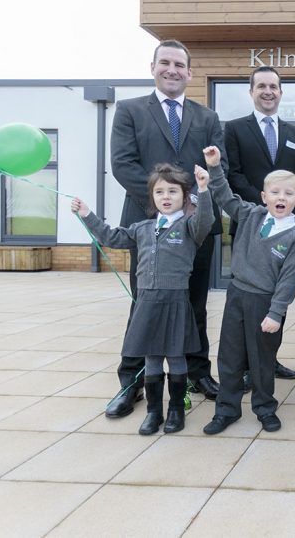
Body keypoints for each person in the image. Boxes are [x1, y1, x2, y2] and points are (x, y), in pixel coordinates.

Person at [108, 40, 226, 418]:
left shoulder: (207, 118)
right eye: (165, 63)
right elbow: (123, 165)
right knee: (143, 303)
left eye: (179, 64)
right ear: (153, 67)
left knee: (195, 303)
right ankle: (132, 381)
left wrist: (191, 207)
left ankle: (196, 372)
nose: (172, 70)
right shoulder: (129, 111)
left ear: (190, 73)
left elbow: (215, 168)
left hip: (196, 228)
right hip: (148, 225)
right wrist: (164, 202)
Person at [72, 163, 214, 435]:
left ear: (185, 197)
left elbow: (205, 220)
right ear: (152, 198)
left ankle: (175, 410)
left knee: (175, 357)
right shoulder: (142, 228)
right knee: (151, 358)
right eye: (160, 192)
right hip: (147, 303)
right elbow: (110, 236)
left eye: (173, 191)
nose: (166, 196)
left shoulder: (189, 227)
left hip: (175, 302)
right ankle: (154, 412)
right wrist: (86, 214)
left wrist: (204, 189)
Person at [201, 146, 295, 435]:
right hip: (237, 295)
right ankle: (227, 409)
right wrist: (214, 167)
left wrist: (276, 313)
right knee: (230, 356)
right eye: (275, 192)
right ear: (264, 197)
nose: (281, 198)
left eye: (287, 194)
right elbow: (224, 195)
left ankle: (264, 408)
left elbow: (287, 281)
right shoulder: (250, 215)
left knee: (262, 361)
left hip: (266, 304)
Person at [223, 65, 295, 382]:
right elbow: (233, 174)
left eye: (273, 86)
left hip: (285, 231)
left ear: (280, 92)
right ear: (251, 92)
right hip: (251, 227)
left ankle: (268, 361)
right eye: (261, 86)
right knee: (248, 302)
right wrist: (262, 206)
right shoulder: (234, 129)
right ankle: (247, 367)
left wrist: (291, 215)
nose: (267, 91)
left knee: (279, 298)